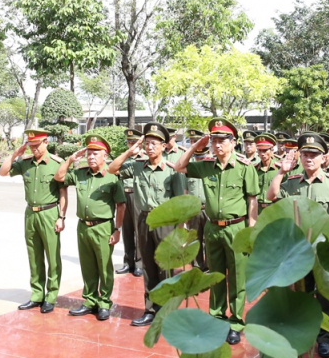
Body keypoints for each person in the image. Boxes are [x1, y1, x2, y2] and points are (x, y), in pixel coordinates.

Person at [174, 118, 259, 345]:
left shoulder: (244, 167)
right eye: (214, 140)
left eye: (222, 140)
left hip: (236, 228)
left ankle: (236, 321)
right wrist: (195, 147)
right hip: (213, 228)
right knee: (216, 275)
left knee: (238, 277)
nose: (217, 144)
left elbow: (252, 199)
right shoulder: (206, 165)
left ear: (233, 143)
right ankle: (217, 317)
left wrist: (251, 229)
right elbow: (178, 166)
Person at [267, 133, 329, 358]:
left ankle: (324, 338)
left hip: (324, 250)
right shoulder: (292, 182)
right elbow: (271, 195)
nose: (309, 158)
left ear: (324, 158)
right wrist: (282, 171)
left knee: (325, 296)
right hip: (298, 251)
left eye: (314, 154)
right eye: (305, 154)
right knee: (301, 296)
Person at [108, 123, 185, 327]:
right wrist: (129, 152)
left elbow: (180, 200)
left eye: (154, 144)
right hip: (144, 220)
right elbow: (112, 169)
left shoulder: (172, 170)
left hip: (165, 222)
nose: (149, 147)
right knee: (149, 267)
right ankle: (150, 309)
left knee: (165, 269)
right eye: (147, 144)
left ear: (163, 146)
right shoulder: (137, 166)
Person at [55, 134, 125, 321]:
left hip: (103, 227)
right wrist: (70, 160)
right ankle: (89, 300)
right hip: (83, 226)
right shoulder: (80, 174)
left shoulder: (112, 177)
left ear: (105, 155)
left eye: (95, 153)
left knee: (104, 266)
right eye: (89, 154)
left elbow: (121, 205)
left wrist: (117, 230)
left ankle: (104, 302)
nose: (91, 157)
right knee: (87, 266)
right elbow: (59, 176)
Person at [0, 129, 67, 313]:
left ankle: (51, 296)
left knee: (52, 257)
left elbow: (63, 192)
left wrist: (62, 217)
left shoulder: (56, 164)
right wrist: (15, 155)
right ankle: (37, 294)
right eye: (31, 146)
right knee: (34, 256)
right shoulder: (25, 163)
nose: (35, 150)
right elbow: (2, 172)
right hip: (30, 214)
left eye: (37, 146)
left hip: (49, 212)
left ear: (46, 142)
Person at [115, 128, 144, 277]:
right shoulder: (124, 158)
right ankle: (128, 262)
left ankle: (139, 263)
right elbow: (114, 171)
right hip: (123, 196)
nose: (131, 145)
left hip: (137, 196)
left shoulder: (143, 158)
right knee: (126, 230)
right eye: (129, 142)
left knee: (139, 231)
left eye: (134, 142)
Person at [185, 128, 210, 270]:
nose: (199, 160)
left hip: (208, 208)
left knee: (209, 239)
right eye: (197, 157)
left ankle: (209, 265)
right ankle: (197, 265)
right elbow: (186, 192)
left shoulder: (211, 168)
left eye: (202, 157)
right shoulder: (190, 170)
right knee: (195, 239)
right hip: (194, 209)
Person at [253, 133, 280, 212]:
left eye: (265, 150)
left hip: (275, 208)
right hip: (258, 209)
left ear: (272, 150)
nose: (262, 154)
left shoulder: (279, 169)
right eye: (259, 150)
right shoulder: (253, 169)